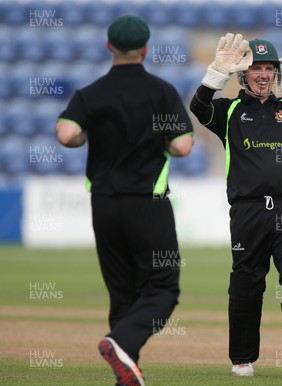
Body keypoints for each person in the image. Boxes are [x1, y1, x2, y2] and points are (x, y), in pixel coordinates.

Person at [55, 15, 194, 386]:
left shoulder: (91, 93)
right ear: (145, 49)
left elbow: (67, 133)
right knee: (163, 288)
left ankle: (126, 370)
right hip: (146, 203)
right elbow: (182, 146)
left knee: (122, 291)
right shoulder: (161, 91)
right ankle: (118, 343)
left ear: (108, 47)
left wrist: (85, 138)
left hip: (103, 203)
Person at [189, 33, 282, 379]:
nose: (263, 74)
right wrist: (215, 75)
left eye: (269, 68)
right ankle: (241, 357)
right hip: (248, 211)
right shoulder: (229, 111)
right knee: (247, 284)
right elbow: (198, 108)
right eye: (256, 68)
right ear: (243, 73)